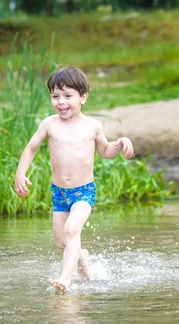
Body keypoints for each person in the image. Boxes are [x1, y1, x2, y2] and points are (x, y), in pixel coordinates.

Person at [14, 66, 134, 292]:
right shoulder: (49, 124)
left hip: (83, 192)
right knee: (62, 242)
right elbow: (31, 148)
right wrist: (20, 174)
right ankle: (82, 256)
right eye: (55, 96)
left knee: (71, 231)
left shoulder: (92, 126)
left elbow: (105, 151)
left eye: (68, 96)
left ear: (83, 97)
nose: (61, 102)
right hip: (59, 193)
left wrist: (119, 144)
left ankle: (65, 279)